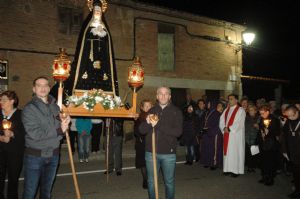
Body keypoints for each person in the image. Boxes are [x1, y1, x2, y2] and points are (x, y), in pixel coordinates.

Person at [21, 76, 70, 199]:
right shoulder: (29, 109)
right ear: (34, 89)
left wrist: (65, 124)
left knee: (46, 192)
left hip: (53, 155)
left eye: (45, 85)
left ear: (49, 88)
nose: (42, 88)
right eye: (39, 85)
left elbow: (60, 131)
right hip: (35, 156)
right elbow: (35, 134)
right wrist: (59, 130)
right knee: (30, 193)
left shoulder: (55, 107)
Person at [139, 86, 183, 199]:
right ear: (157, 96)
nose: (163, 96)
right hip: (151, 152)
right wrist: (148, 123)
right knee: (151, 181)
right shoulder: (151, 111)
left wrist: (157, 124)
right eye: (160, 93)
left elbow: (178, 132)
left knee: (169, 182)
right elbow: (141, 130)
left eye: (166, 93)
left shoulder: (176, 111)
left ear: (169, 96)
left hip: (168, 153)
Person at [0, 91, 25, 199]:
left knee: (13, 179)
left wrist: (13, 134)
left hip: (15, 152)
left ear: (12, 101)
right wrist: (1, 138)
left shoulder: (21, 114)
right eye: (0, 99)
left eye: (4, 100)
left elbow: (25, 133)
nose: (1, 102)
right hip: (0, 151)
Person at [219, 94, 246, 177]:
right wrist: (224, 128)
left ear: (236, 100)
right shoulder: (226, 110)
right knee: (227, 152)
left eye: (231, 99)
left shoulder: (241, 110)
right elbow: (221, 120)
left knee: (235, 152)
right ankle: (227, 169)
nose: (229, 100)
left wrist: (230, 129)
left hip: (235, 136)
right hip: (227, 134)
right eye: (229, 99)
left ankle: (235, 171)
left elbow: (240, 123)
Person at [257, 105, 281, 186]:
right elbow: (260, 129)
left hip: (271, 144)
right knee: (263, 161)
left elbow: (277, 132)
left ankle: (270, 178)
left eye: (262, 113)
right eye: (260, 113)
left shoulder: (274, 119)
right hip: (263, 144)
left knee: (270, 161)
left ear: (268, 112)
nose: (261, 115)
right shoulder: (262, 119)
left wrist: (269, 132)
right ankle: (264, 176)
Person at [282, 105, 300, 198]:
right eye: (288, 116)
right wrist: (284, 151)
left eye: (292, 116)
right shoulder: (288, 121)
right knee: (296, 174)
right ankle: (297, 191)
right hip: (292, 153)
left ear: (297, 112)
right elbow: (284, 137)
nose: (290, 118)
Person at [134, 99, 153, 189]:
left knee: (151, 163)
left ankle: (150, 179)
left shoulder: (154, 116)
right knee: (143, 163)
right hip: (142, 144)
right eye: (146, 106)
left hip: (152, 143)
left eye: (150, 106)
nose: (148, 108)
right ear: (142, 108)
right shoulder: (139, 117)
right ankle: (145, 179)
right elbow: (136, 132)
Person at [200, 101, 224, 170]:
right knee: (207, 149)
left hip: (214, 134)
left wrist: (209, 130)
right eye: (208, 103)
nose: (208, 104)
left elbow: (218, 124)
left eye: (210, 103)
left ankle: (214, 164)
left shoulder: (217, 113)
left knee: (214, 150)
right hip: (207, 133)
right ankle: (207, 162)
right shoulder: (208, 112)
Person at [244, 104, 259, 172]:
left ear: (255, 111)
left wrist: (258, 126)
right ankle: (249, 166)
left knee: (254, 153)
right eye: (249, 110)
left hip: (255, 138)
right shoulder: (246, 118)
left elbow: (261, 127)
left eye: (252, 110)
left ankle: (253, 166)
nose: (251, 112)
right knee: (248, 153)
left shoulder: (259, 118)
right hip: (247, 138)